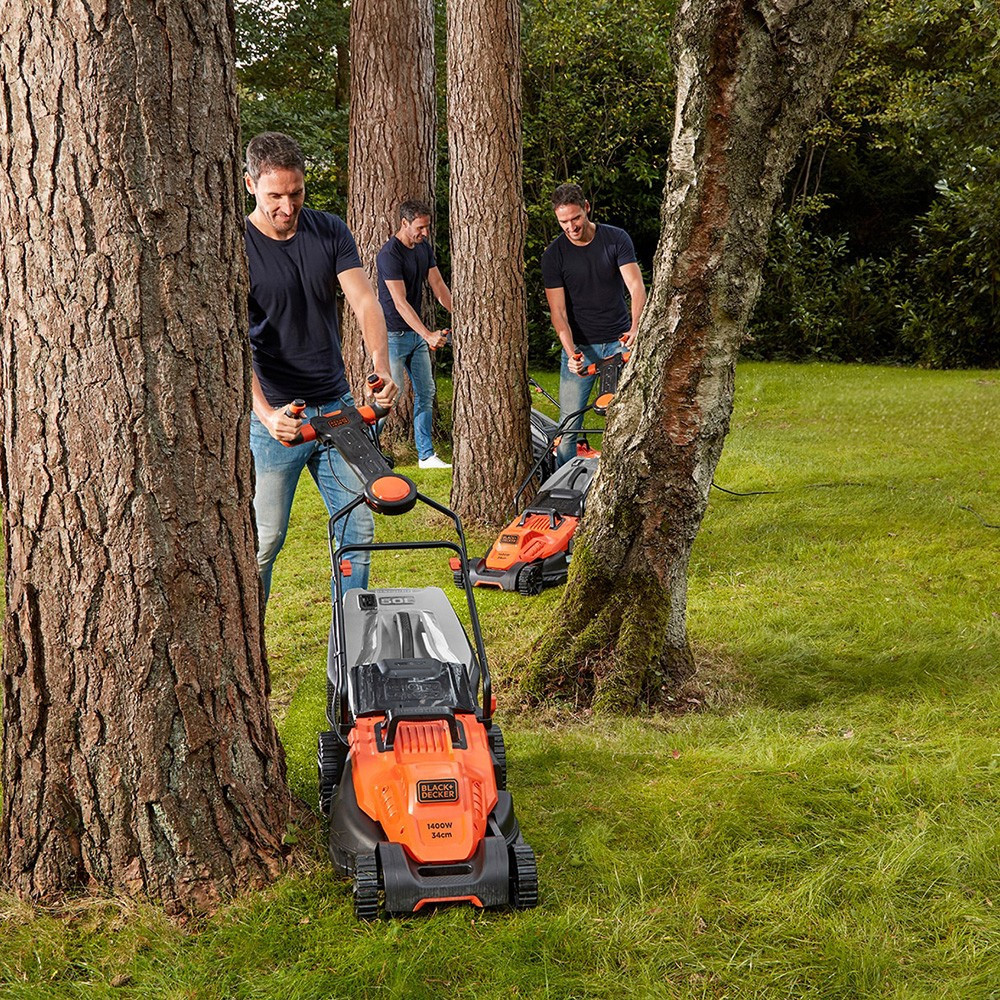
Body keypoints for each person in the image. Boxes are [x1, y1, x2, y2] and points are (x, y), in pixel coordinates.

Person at [244, 131, 397, 601]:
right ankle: (250, 643)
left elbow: (365, 301)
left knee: (359, 531)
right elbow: (228, 341)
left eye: (296, 193)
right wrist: (266, 415)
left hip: (336, 407)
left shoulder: (329, 230)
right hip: (277, 418)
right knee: (264, 541)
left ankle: (348, 643)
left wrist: (381, 366)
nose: (287, 207)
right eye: (275, 196)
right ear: (250, 185)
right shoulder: (235, 244)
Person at [541, 183, 647, 467]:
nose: (571, 227)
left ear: (586, 208)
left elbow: (636, 286)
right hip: (581, 349)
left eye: (575, 218)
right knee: (568, 427)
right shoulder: (554, 255)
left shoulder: (615, 239)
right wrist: (570, 352)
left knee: (628, 419)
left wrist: (636, 327)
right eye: (563, 221)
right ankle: (562, 485)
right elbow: (558, 313)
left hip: (620, 344)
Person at [376, 200, 453, 469]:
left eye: (427, 227)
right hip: (392, 336)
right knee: (390, 396)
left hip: (416, 335)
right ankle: (366, 449)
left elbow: (438, 285)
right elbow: (399, 302)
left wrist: (460, 314)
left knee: (426, 391)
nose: (425, 233)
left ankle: (426, 455)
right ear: (404, 223)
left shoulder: (423, 248)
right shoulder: (389, 255)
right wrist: (428, 334)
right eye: (420, 227)